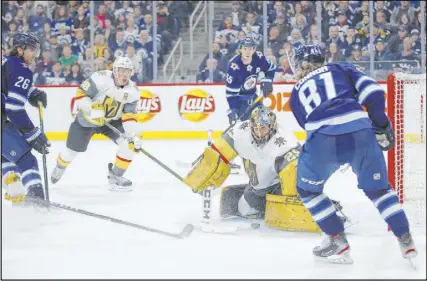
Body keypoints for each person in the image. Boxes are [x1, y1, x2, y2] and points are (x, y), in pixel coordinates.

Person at [288, 44, 417, 264]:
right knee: (379, 190)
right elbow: (374, 92)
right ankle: (405, 239)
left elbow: (309, 126)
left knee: (307, 190)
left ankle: (337, 240)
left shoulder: (295, 93)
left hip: (323, 140)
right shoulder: (340, 68)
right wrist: (381, 125)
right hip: (360, 132)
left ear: (300, 65)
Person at [183, 105, 347, 232]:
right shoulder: (240, 132)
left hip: (279, 189)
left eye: (263, 128)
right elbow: (217, 152)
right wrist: (201, 176)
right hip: (255, 191)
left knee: (293, 175)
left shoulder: (284, 141)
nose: (259, 133)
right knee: (241, 209)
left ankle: (321, 209)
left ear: (272, 126)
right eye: (256, 128)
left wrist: (302, 200)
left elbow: (297, 173)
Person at [50, 56, 143, 191]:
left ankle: (115, 176)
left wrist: (135, 135)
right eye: (122, 70)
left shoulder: (133, 91)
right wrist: (91, 108)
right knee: (70, 152)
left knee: (128, 145)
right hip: (88, 120)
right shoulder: (100, 78)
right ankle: (60, 167)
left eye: (128, 71)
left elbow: (129, 116)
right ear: (115, 70)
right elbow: (81, 93)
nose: (125, 74)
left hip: (111, 122)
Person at [1, 33, 50, 204]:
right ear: (20, 50)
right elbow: (14, 109)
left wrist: (31, 91)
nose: (35, 55)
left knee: (6, 158)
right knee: (26, 159)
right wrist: (33, 134)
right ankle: (36, 198)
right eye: (32, 51)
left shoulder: (6, 61)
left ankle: (16, 195)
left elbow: (7, 83)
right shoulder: (22, 68)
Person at [224, 36, 277, 172]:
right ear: (240, 49)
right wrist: (233, 111)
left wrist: (267, 80)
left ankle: (268, 158)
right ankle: (228, 159)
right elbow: (231, 94)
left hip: (255, 99)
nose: (248, 51)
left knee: (266, 125)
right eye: (245, 48)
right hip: (241, 102)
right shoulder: (234, 67)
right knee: (241, 133)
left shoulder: (259, 58)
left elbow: (271, 69)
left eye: (251, 48)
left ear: (254, 49)